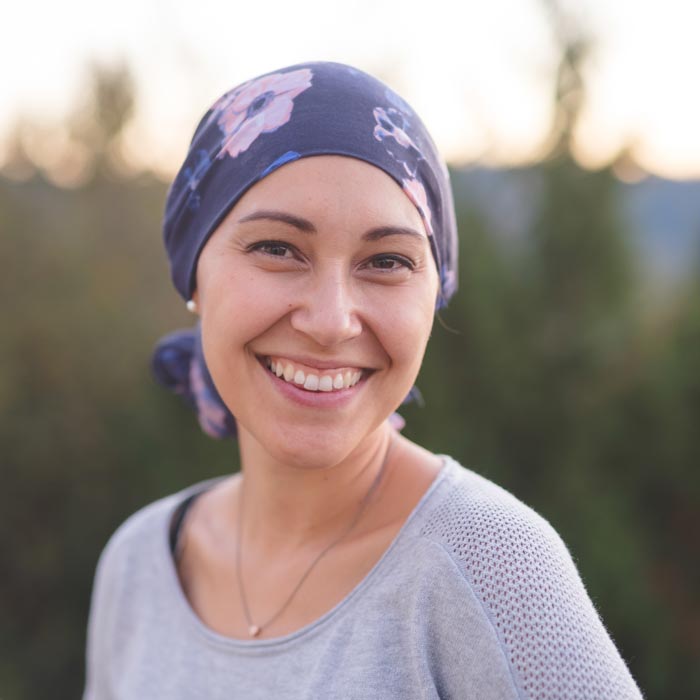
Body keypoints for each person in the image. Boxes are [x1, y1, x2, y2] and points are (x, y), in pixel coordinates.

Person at [83, 61, 642, 699]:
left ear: (434, 297)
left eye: (386, 261)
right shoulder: (139, 566)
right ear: (194, 278)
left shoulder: (491, 564)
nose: (330, 321)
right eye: (277, 248)